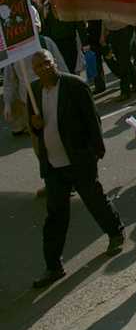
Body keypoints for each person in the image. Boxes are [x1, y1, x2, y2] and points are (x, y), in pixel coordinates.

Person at [28, 50, 125, 288]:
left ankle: (115, 232)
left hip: (79, 158)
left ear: (54, 63)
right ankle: (53, 266)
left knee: (94, 198)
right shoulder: (33, 91)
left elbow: (92, 119)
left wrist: (96, 151)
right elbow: (37, 128)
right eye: (38, 66)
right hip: (53, 164)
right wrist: (35, 125)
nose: (43, 69)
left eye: (47, 63)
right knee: (55, 215)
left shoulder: (74, 86)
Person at [102, 20, 136, 101]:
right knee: (123, 60)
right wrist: (103, 34)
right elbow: (103, 18)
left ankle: (125, 91)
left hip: (125, 29)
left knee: (123, 60)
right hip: (112, 31)